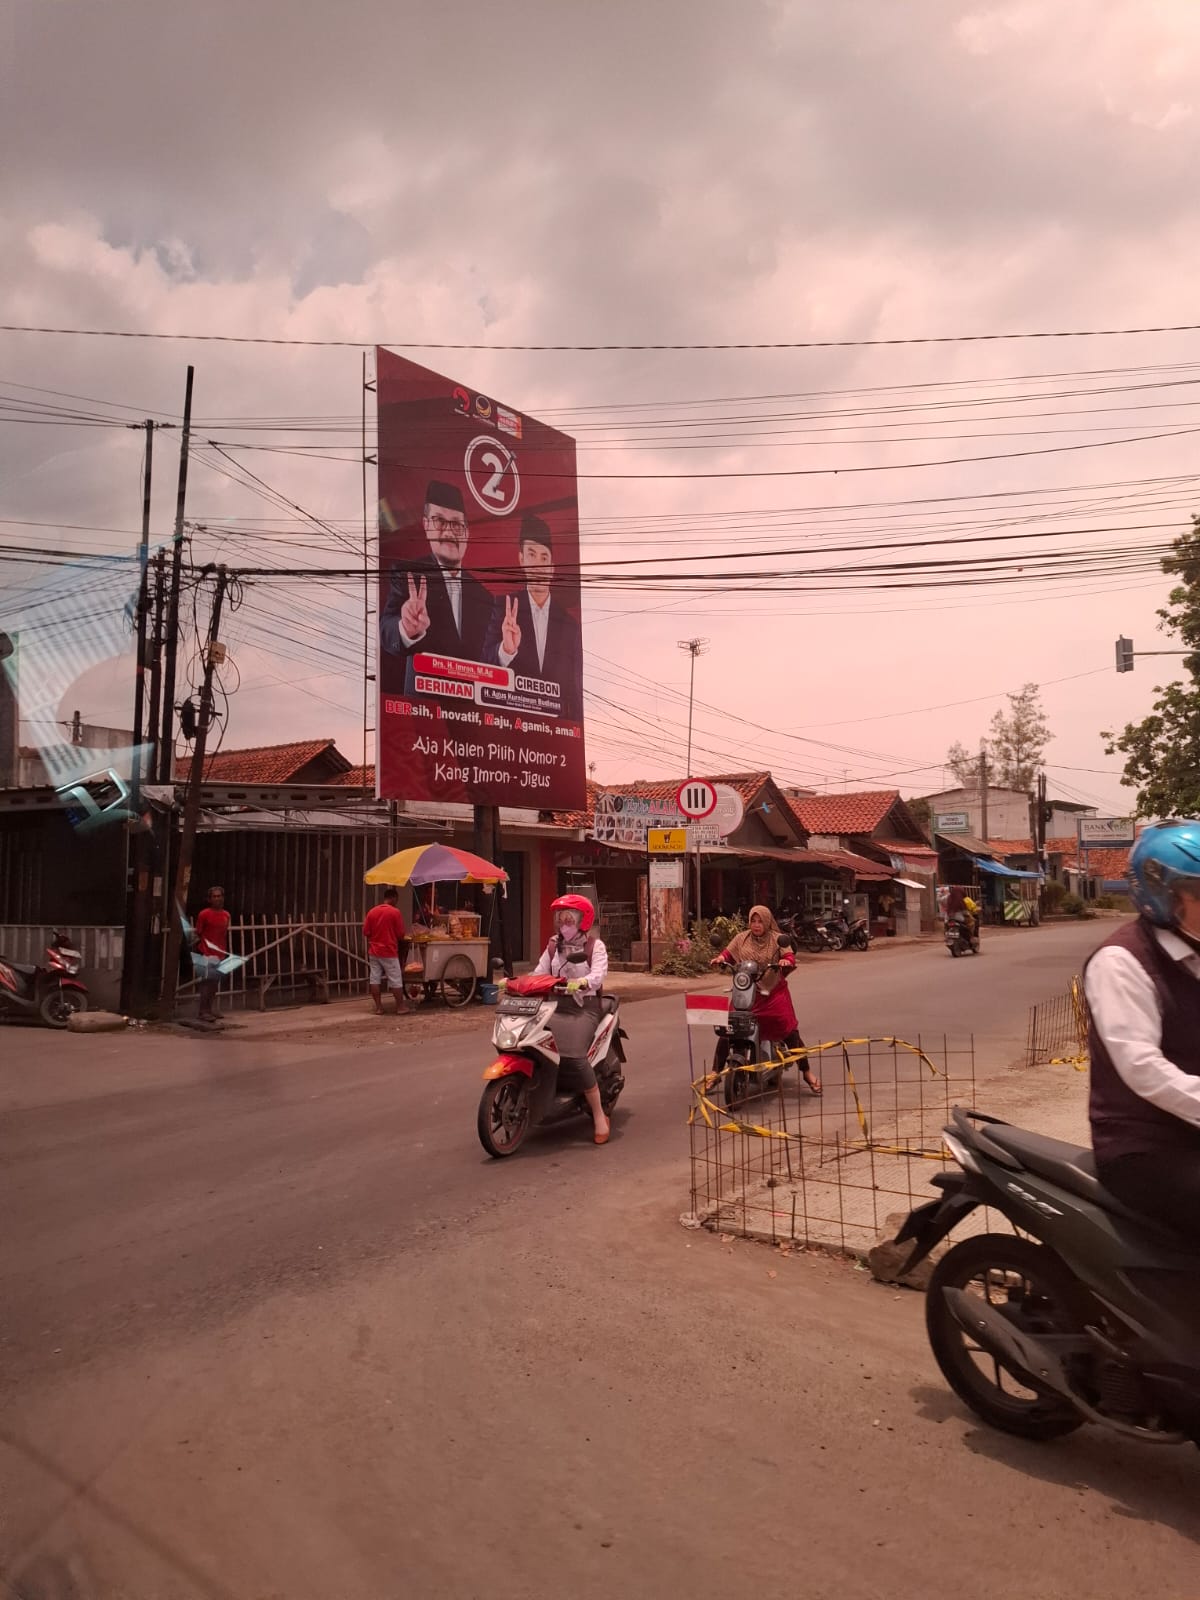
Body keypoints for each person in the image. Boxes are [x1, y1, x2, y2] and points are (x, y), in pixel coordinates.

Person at [1084, 821, 1200, 1236]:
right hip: (1143, 1147)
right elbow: (1143, 1068)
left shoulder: (1194, 950)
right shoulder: (1121, 962)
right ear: (1162, 895)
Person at [379, 481, 494, 690]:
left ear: (467, 532)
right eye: (439, 520)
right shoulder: (408, 575)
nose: (449, 532)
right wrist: (405, 628)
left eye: (457, 524)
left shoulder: (484, 597)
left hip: (473, 715)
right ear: (426, 525)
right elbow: (386, 630)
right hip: (423, 713)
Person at [709, 906, 821, 1094]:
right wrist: (720, 958)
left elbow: (788, 955)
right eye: (753, 921)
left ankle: (807, 1073)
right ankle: (714, 1073)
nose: (756, 925)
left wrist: (786, 961)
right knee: (728, 1030)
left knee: (789, 1031)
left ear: (768, 922)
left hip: (772, 993)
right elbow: (728, 953)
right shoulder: (741, 938)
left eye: (760, 921)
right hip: (746, 992)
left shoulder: (778, 939)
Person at [483, 514, 583, 720]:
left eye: (544, 558)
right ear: (521, 560)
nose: (538, 565)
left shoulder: (569, 625)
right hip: (510, 728)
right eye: (531, 554)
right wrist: (505, 651)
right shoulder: (505, 607)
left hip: (556, 734)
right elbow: (484, 667)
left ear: (553, 568)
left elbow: (576, 690)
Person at [533, 893, 612, 1144]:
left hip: (584, 1007)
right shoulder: (553, 945)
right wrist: (517, 983)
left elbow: (598, 975)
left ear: (582, 920)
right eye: (561, 919)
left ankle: (599, 1115)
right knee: (536, 1045)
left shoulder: (594, 947)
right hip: (555, 1005)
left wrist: (583, 982)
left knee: (575, 1057)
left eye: (569, 919)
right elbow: (540, 972)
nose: (564, 925)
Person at [362, 887, 411, 1016]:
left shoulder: (372, 912)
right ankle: (400, 1007)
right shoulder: (395, 912)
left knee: (375, 979)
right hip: (389, 951)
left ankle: (378, 1008)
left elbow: (366, 932)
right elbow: (401, 934)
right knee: (395, 979)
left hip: (374, 951)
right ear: (394, 898)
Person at [193, 885, 231, 1024]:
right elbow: (199, 932)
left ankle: (209, 1009)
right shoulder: (204, 914)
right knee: (206, 983)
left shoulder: (226, 915)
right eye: (214, 896)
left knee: (214, 984)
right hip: (206, 953)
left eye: (219, 896)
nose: (217, 899)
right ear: (209, 899)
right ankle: (203, 1011)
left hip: (220, 953)